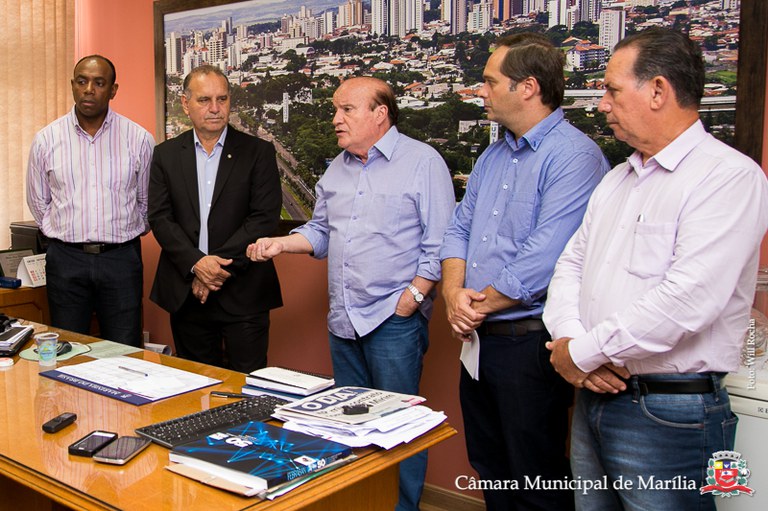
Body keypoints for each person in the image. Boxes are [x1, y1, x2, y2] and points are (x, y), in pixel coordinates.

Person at [543, 28, 768, 511]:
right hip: (595, 396)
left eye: (612, 90)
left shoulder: (728, 177)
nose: (602, 104)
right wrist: (569, 341)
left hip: (669, 411)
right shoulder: (617, 180)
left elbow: (689, 299)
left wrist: (580, 352)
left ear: (659, 90)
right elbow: (571, 264)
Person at [246, 76, 455, 511]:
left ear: (380, 114)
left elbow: (442, 242)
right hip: (343, 320)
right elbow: (321, 232)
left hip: (393, 321)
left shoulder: (422, 162)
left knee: (399, 428)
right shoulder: (336, 167)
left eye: (347, 110)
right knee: (350, 427)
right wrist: (281, 243)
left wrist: (412, 299)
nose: (336, 119)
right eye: (335, 110)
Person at [440, 33, 609, 510]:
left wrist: (475, 305)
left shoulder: (574, 156)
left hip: (528, 343)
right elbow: (458, 230)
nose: (482, 90)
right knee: (491, 467)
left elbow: (546, 256)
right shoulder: (493, 156)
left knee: (535, 478)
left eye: (491, 81)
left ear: (528, 87)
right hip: (478, 338)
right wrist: (455, 295)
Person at [148, 65, 282, 373]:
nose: (214, 108)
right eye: (204, 100)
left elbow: (263, 219)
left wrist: (212, 268)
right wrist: (196, 265)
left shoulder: (258, 152)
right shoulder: (166, 155)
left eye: (222, 99)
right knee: (194, 385)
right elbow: (160, 218)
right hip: (187, 293)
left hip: (245, 292)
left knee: (249, 387)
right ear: (185, 104)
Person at [27, 55, 154, 347]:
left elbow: (147, 204)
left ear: (113, 90)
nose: (89, 89)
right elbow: (38, 202)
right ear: (73, 85)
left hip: (121, 259)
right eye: (82, 81)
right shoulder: (47, 140)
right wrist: (61, 232)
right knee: (67, 351)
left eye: (99, 83)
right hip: (66, 261)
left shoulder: (139, 139)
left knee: (125, 353)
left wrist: (123, 234)